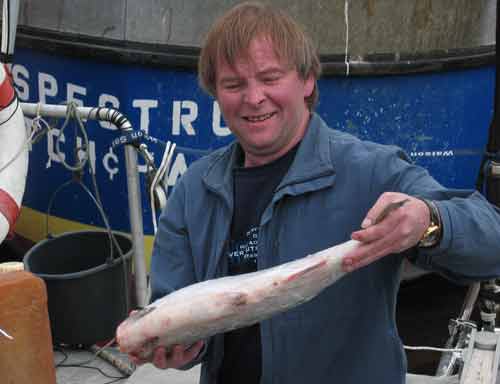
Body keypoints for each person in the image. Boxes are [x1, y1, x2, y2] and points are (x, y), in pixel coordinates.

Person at [130, 2, 500, 383]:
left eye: (270, 78)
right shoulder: (194, 190)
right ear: (216, 93)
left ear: (307, 80)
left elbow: (492, 241)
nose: (254, 97)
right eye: (234, 84)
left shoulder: (373, 171)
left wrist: (429, 220)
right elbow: (174, 306)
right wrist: (175, 346)